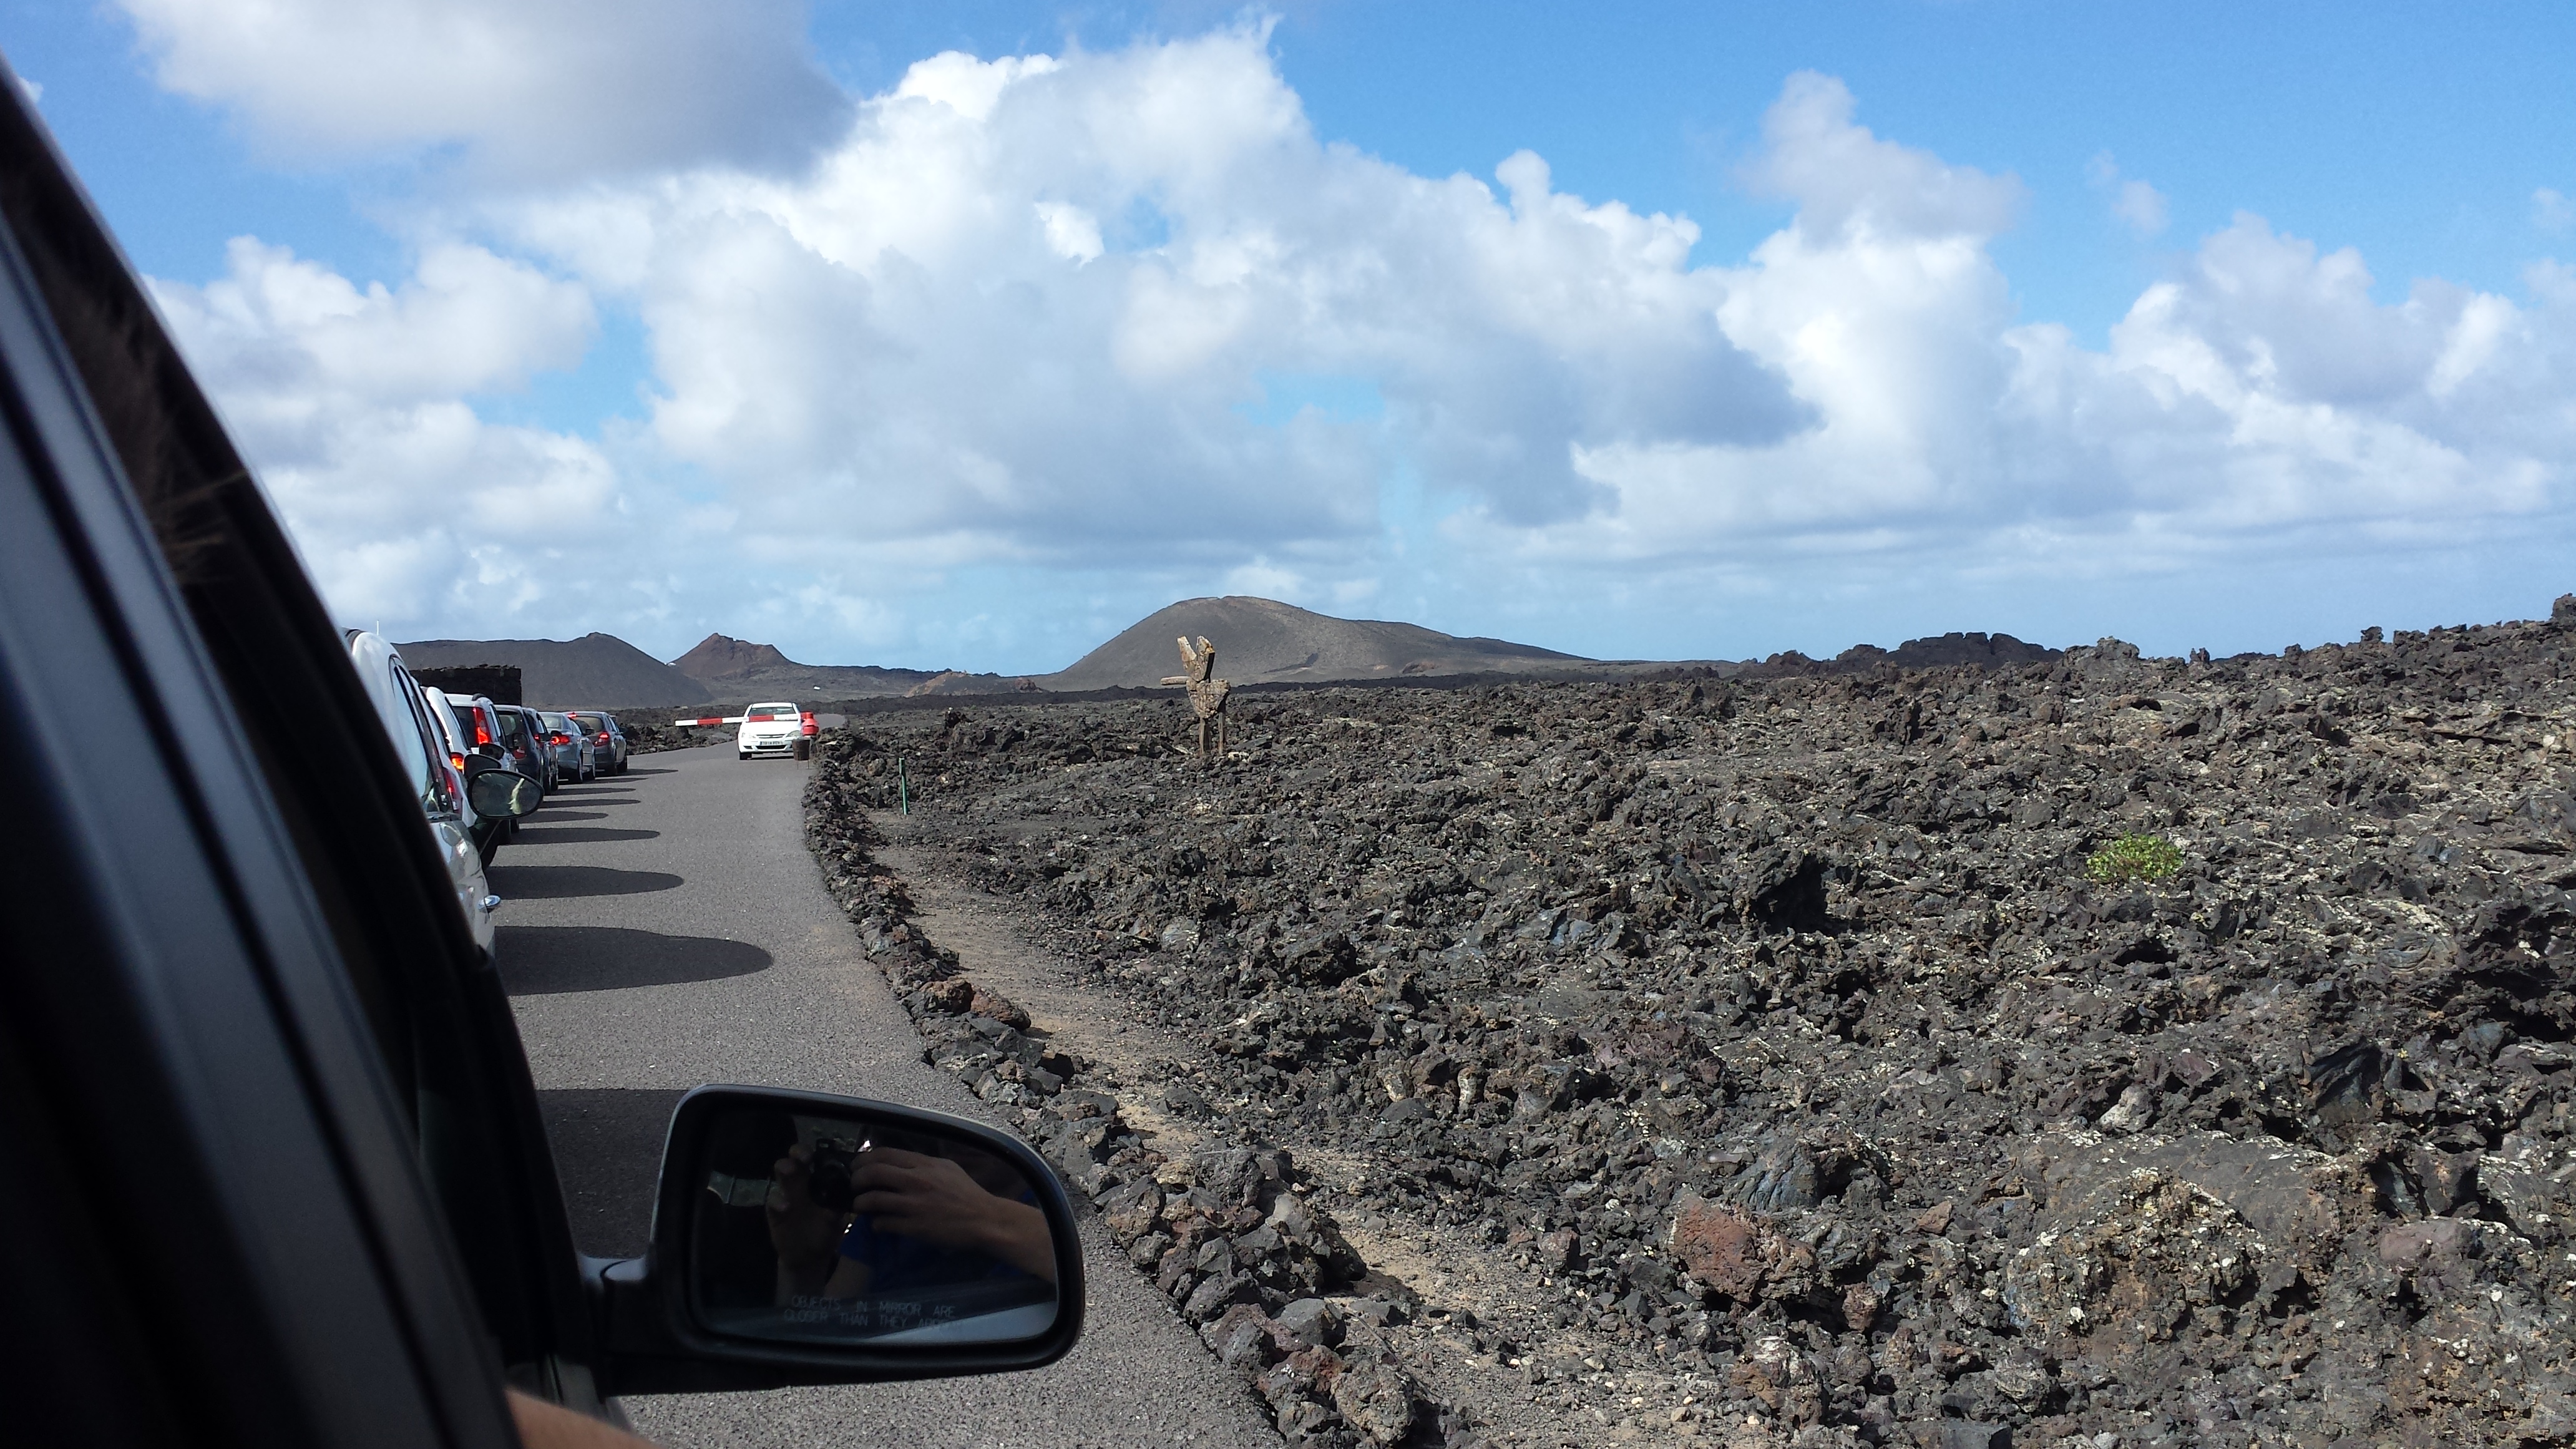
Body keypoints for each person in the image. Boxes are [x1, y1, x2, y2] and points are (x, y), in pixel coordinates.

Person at [767, 1137, 1056, 1302]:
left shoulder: (1054, 1216)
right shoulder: (888, 1209)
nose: (956, 1141)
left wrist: (986, 1219)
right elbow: (823, 1332)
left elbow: (1091, 1287)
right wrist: (801, 1269)